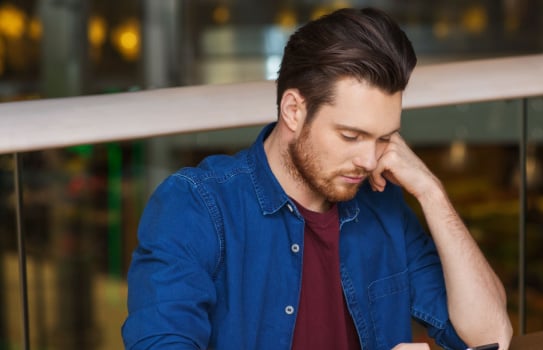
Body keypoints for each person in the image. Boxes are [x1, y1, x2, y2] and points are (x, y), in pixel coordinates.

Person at [122, 7, 512, 350]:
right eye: (350, 136)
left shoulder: (383, 205)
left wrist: (431, 191)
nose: (368, 158)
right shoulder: (197, 206)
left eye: (385, 138)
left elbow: (490, 337)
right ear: (293, 110)